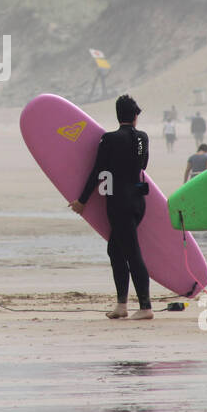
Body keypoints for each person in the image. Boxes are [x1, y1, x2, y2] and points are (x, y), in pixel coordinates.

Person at [68, 95, 153, 321]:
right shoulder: (143, 138)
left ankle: (145, 307)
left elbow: (98, 171)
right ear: (135, 116)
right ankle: (121, 305)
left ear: (118, 115)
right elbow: (143, 165)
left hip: (119, 203)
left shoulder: (109, 139)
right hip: (138, 202)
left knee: (132, 253)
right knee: (115, 250)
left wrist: (82, 201)